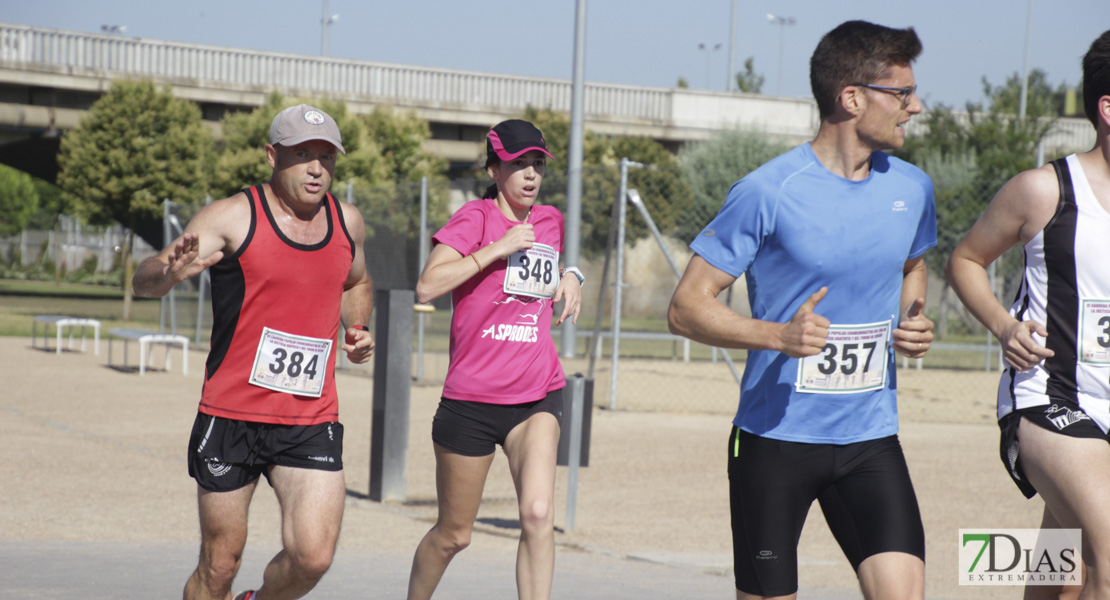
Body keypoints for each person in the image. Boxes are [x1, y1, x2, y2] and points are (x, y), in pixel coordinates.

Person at [667, 20, 936, 600]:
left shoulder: (912, 188)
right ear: (852, 97)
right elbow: (686, 308)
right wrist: (777, 336)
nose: (915, 106)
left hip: (869, 437)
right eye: (902, 93)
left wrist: (911, 316)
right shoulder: (769, 190)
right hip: (775, 440)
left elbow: (914, 262)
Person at [132, 103, 375, 600]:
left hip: (309, 417)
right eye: (302, 154)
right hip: (231, 415)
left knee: (314, 555)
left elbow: (357, 279)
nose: (315, 168)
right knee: (221, 564)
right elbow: (144, 282)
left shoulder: (347, 221)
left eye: (326, 156)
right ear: (272, 155)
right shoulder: (232, 216)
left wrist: (359, 326)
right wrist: (168, 275)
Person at [945, 30, 1110, 600]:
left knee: (1059, 574)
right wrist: (1004, 325)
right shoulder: (1045, 192)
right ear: (1108, 109)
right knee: (1105, 554)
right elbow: (965, 260)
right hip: (1053, 398)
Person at [406, 119, 582, 600]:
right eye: (517, 163)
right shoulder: (475, 219)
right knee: (453, 536)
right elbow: (428, 285)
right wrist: (496, 250)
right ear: (493, 168)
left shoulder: (550, 220)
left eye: (537, 164)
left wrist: (572, 275)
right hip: (471, 403)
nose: (529, 174)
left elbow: (553, 262)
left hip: (536, 394)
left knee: (538, 514)